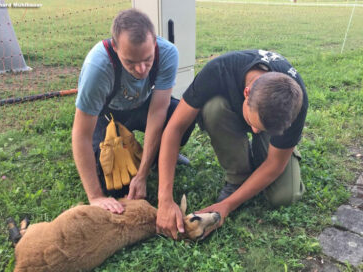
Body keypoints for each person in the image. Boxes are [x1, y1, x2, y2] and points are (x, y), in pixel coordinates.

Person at [156, 49, 308, 239]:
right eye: (253, 124)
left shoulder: (295, 100)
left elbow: (275, 165)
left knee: (284, 196)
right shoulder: (218, 70)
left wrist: (227, 205)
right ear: (246, 92)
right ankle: (238, 177)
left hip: (273, 127)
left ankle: (277, 147)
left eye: (261, 129)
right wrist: (164, 199)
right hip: (227, 115)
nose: (255, 132)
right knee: (213, 107)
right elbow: (174, 129)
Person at [72, 9, 194, 214]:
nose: (141, 69)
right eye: (130, 62)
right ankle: (145, 157)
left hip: (143, 106)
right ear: (115, 47)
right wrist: (95, 197)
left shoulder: (168, 53)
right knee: (117, 186)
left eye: (147, 59)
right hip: (107, 114)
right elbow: (81, 134)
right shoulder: (98, 66)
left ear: (155, 42)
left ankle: (160, 156)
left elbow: (158, 113)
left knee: (180, 116)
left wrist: (143, 174)